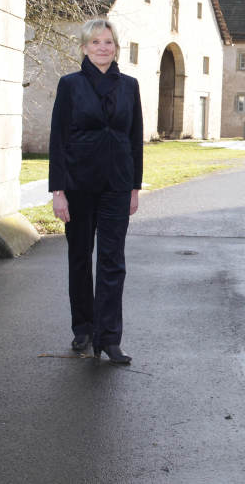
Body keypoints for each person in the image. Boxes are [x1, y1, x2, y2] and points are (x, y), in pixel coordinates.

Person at [49, 18, 143, 364]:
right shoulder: (70, 85)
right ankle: (84, 329)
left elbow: (135, 140)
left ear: (115, 47)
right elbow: (57, 140)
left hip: (117, 185)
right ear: (85, 47)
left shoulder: (130, 87)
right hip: (78, 185)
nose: (103, 47)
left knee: (112, 261)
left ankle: (110, 338)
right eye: (96, 42)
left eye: (108, 42)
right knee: (80, 257)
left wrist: (135, 187)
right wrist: (58, 190)